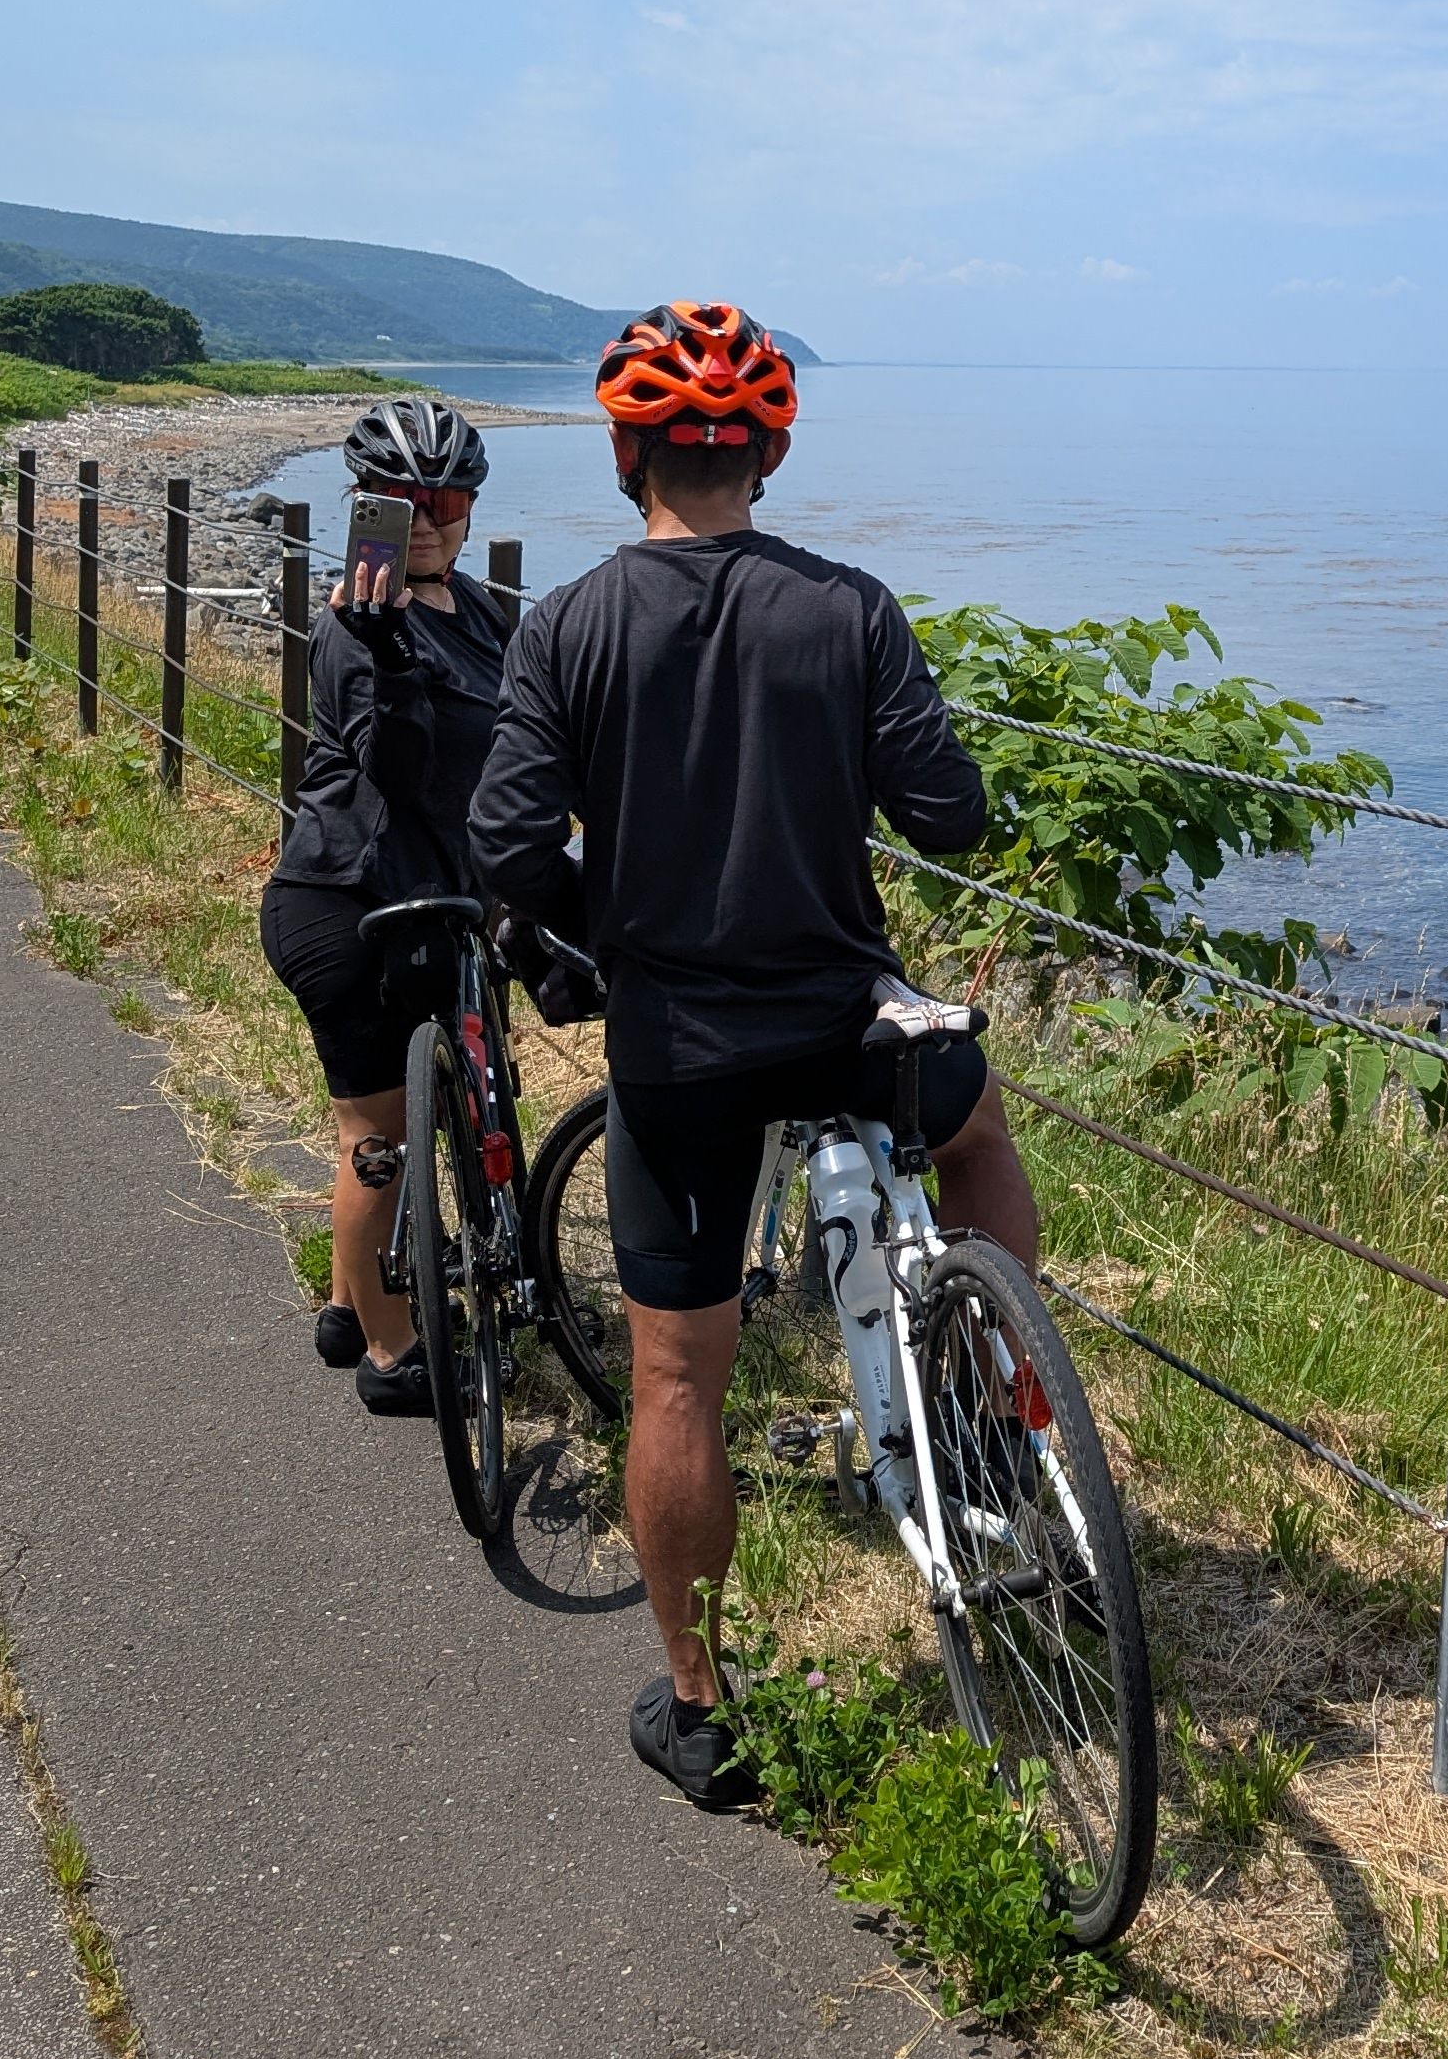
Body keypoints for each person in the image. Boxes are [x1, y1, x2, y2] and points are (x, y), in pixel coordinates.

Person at [469, 301, 1037, 1808]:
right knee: (978, 1143)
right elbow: (950, 815)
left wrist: (609, 930)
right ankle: (994, 1405)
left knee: (675, 1379)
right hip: (846, 1019)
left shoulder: (571, 624)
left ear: (623, 449)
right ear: (771, 451)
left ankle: (703, 1703)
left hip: (683, 1049)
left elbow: (509, 842)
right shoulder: (849, 610)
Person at [259, 396, 521, 1416]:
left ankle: (343, 1304)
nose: (423, 518)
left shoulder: (487, 614)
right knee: (378, 1139)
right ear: (361, 505)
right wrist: (386, 648)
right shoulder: (349, 629)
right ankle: (390, 1353)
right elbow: (402, 767)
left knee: (386, 1130)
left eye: (444, 497)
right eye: (394, 500)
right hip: (348, 904)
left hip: (435, 903)